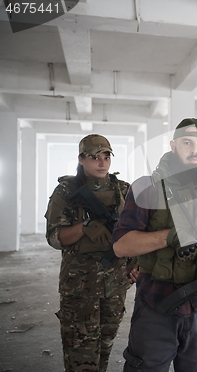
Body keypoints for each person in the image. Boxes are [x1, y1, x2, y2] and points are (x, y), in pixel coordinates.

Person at [112, 118, 197, 372]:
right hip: (156, 306)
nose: (195, 149)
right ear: (173, 146)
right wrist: (171, 235)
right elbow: (122, 246)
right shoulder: (147, 188)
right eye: (187, 142)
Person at [45, 134, 137, 372]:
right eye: (95, 157)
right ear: (81, 159)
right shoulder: (66, 191)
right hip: (80, 288)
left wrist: (136, 265)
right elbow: (54, 237)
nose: (102, 162)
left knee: (105, 350)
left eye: (106, 156)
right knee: (81, 356)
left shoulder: (123, 191)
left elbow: (138, 233)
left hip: (115, 286)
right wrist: (84, 228)